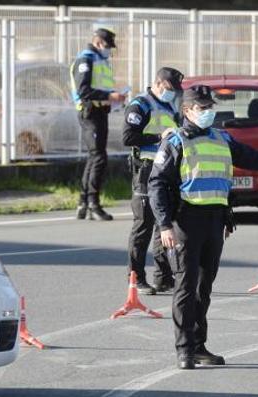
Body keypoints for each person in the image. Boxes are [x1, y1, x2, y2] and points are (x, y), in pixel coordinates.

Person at [149, 85, 258, 370]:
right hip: (185, 222)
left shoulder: (222, 138)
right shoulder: (175, 142)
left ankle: (199, 345)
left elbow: (257, 159)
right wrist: (165, 225)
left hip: (215, 221)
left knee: (203, 288)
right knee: (185, 285)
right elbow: (156, 184)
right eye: (202, 108)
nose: (208, 112)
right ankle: (184, 349)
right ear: (187, 111)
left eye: (210, 107)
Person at [123, 67, 183, 294]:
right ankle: (135, 278)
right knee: (144, 226)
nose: (172, 93)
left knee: (163, 224)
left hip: (166, 170)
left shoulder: (169, 106)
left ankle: (163, 277)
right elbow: (128, 137)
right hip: (146, 171)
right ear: (158, 84)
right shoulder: (141, 104)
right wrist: (159, 137)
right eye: (169, 88)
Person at [70, 26, 124, 221]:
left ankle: (84, 202)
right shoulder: (86, 59)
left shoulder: (100, 60)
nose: (109, 50)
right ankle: (93, 203)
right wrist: (110, 95)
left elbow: (98, 87)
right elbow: (84, 91)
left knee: (95, 157)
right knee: (99, 157)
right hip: (90, 112)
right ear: (98, 42)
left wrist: (112, 99)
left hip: (100, 111)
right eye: (108, 46)